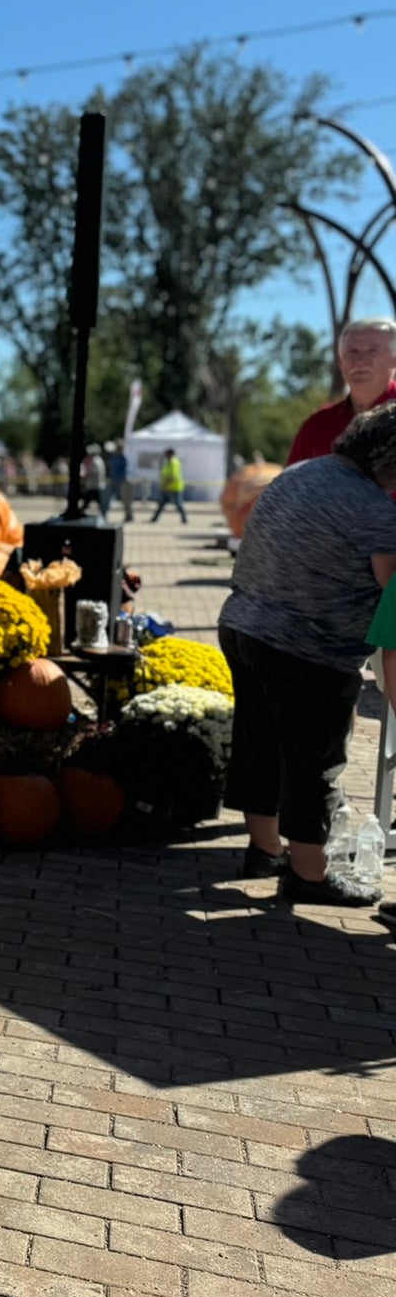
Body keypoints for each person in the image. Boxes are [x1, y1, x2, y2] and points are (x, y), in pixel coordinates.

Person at [221, 401, 396, 907]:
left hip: (244, 625)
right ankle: (308, 874)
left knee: (259, 746)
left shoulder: (298, 476)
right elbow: (394, 591)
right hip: (310, 648)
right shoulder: (375, 510)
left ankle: (264, 848)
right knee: (313, 760)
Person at [290, 317, 396, 465]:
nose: (359, 360)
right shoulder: (316, 427)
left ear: (394, 359)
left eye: (372, 351)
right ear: (341, 362)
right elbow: (291, 485)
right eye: (352, 352)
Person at [150, 450, 186, 523]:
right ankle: (155, 518)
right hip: (168, 487)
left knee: (178, 504)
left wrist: (165, 485)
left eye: (166, 454)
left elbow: (172, 476)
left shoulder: (173, 463)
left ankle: (184, 518)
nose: (165, 455)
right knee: (161, 504)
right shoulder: (168, 462)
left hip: (174, 487)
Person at [104, 441, 132, 522]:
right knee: (107, 498)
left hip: (121, 481)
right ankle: (104, 514)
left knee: (125, 500)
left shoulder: (124, 457)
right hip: (113, 481)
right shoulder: (113, 457)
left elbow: (124, 470)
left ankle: (128, 515)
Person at [79, 444, 105, 523]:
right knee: (97, 503)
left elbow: (94, 472)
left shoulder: (96, 461)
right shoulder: (97, 460)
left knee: (88, 503)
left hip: (95, 486)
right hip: (94, 485)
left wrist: (86, 475)